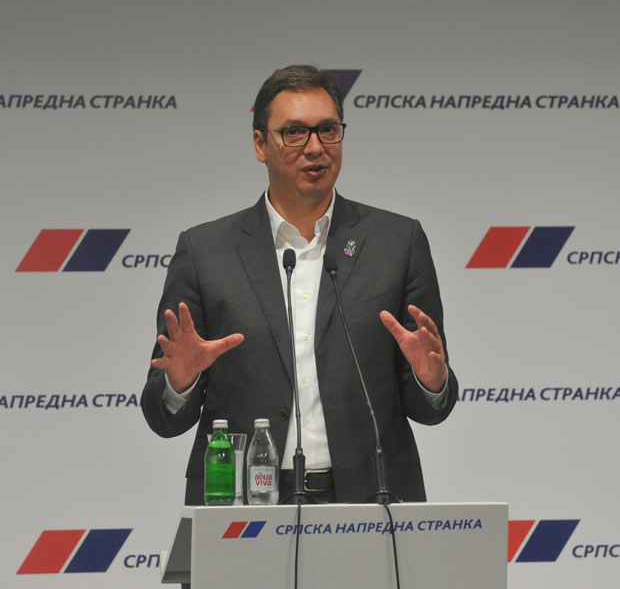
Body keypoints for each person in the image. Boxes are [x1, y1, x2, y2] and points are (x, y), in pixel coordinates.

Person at [141, 65, 458, 507]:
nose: (315, 147)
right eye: (294, 133)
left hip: (372, 502)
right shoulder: (205, 252)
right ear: (260, 144)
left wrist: (432, 381)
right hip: (243, 505)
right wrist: (180, 383)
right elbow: (163, 418)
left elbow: (431, 409)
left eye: (328, 130)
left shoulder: (397, 243)